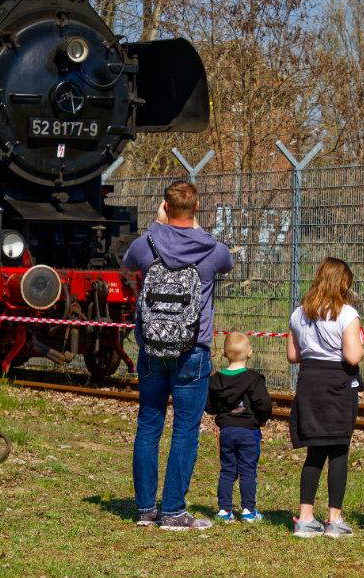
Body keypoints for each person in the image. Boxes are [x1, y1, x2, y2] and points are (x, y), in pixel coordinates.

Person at [123, 180, 233, 531]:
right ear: (197, 208)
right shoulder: (212, 250)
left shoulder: (147, 244)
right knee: (185, 429)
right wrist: (194, 227)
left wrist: (158, 225)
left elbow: (128, 262)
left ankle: (144, 510)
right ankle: (173, 511)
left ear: (165, 207)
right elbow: (228, 264)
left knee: (149, 425)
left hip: (152, 349)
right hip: (193, 351)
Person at [287, 257, 364, 539]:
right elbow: (353, 356)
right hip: (338, 386)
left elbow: (293, 355)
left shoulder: (299, 313)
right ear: (343, 284)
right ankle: (334, 520)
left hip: (309, 383)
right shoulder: (347, 314)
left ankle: (305, 519)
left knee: (315, 451)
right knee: (339, 450)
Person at [205, 331, 272, 524]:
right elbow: (264, 404)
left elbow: (208, 406)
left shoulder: (215, 380)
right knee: (248, 470)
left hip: (226, 431)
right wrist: (261, 419)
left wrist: (220, 412)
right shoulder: (254, 379)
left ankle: (224, 510)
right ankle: (249, 511)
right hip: (248, 431)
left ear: (224, 354)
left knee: (227, 470)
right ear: (250, 353)